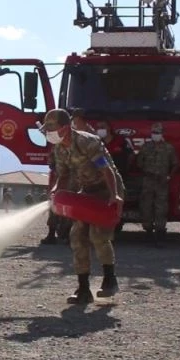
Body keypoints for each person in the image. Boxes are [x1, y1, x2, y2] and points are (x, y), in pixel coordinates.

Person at [44, 108, 125, 304]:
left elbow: (107, 170)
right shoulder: (60, 149)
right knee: (77, 236)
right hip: (87, 190)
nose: (48, 133)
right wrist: (56, 191)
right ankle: (83, 289)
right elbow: (63, 175)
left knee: (99, 235)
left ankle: (109, 280)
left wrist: (114, 195)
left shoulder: (87, 141)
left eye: (51, 128)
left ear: (64, 128)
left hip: (107, 190)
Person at [136, 122, 179, 246]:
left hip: (162, 182)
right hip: (148, 180)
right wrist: (146, 172)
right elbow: (139, 162)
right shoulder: (145, 147)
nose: (156, 135)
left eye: (158, 133)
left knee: (161, 208)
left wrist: (169, 176)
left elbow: (175, 163)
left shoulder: (168, 148)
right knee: (146, 206)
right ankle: (148, 232)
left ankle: (160, 234)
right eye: (154, 133)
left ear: (162, 134)